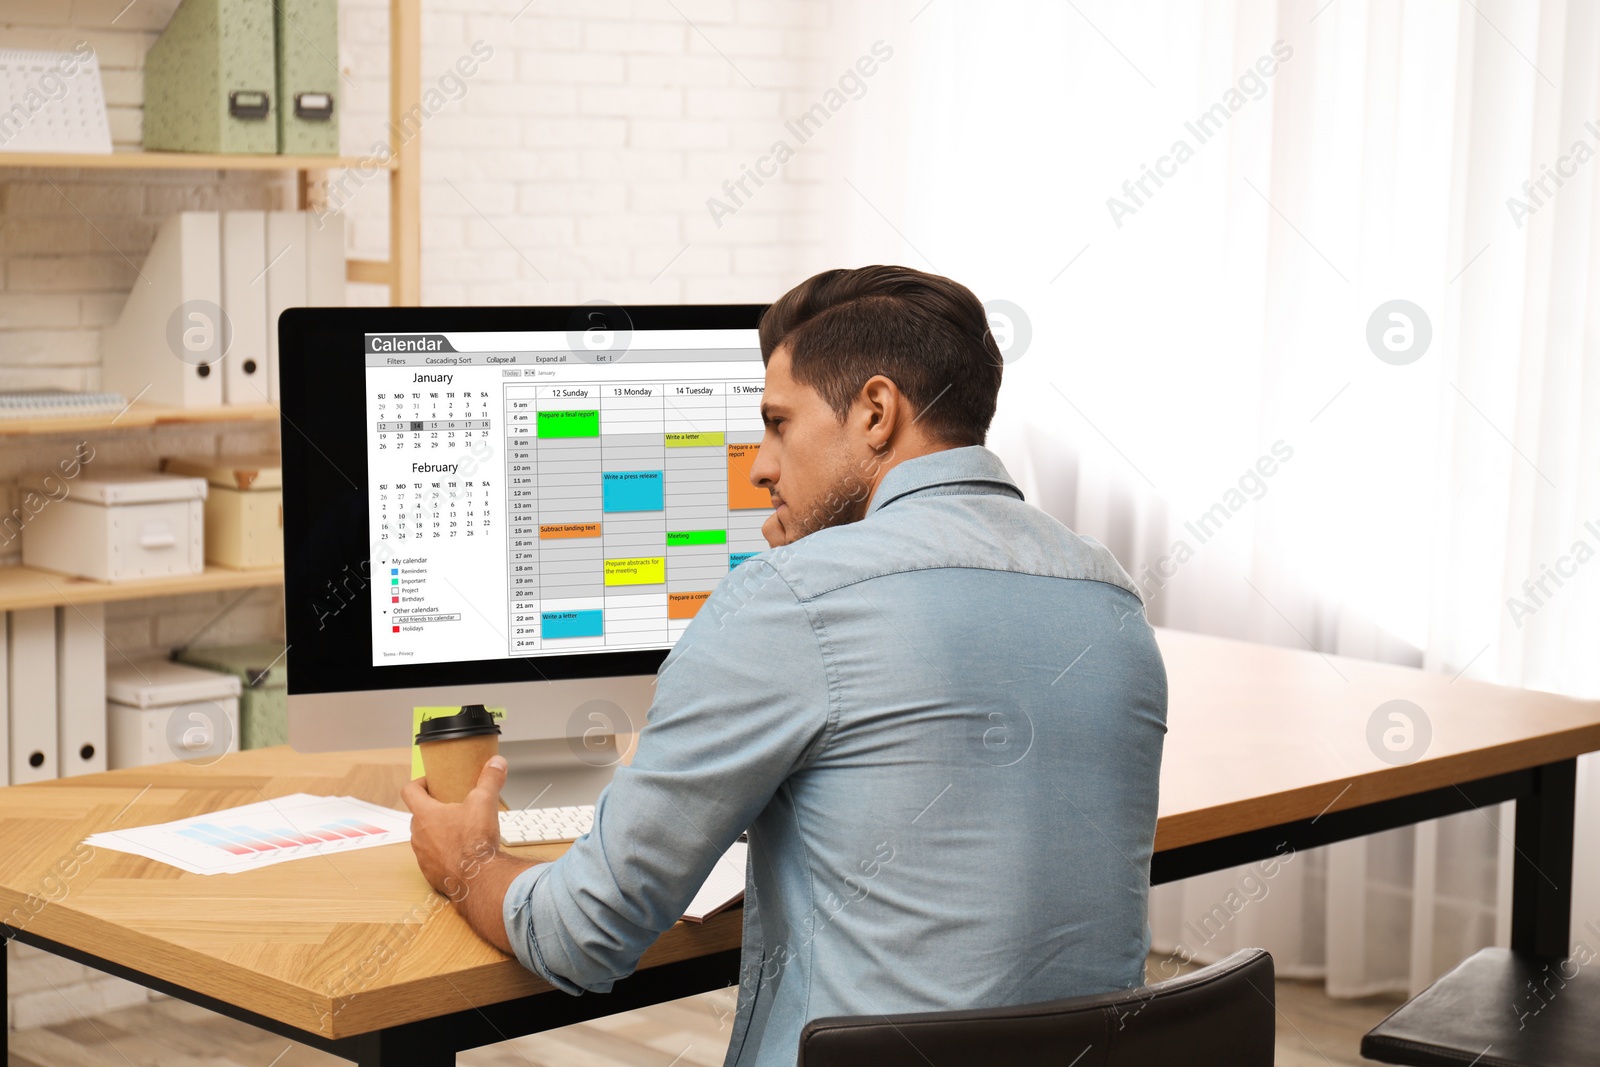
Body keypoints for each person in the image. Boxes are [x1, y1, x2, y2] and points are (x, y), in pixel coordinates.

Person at [402, 265, 1169, 1067]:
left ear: (876, 411)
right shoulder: (1109, 593)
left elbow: (585, 934)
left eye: (778, 423)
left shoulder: (789, 598)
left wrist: (470, 862)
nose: (761, 467)